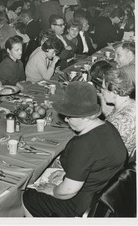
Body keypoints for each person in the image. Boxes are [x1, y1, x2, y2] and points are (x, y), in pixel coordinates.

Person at [23, 81, 127, 217]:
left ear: (85, 116)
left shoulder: (84, 144)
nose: (66, 120)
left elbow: (68, 191)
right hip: (101, 193)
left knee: (28, 197)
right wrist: (70, 175)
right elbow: (96, 166)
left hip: (81, 205)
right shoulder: (108, 127)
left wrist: (53, 190)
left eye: (69, 116)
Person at [99, 68, 135, 155]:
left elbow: (103, 148)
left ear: (114, 92)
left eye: (103, 88)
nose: (101, 91)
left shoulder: (120, 120)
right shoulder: (132, 104)